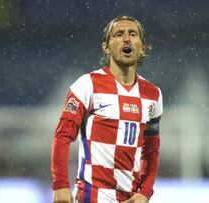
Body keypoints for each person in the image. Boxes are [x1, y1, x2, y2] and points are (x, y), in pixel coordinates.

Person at [51, 15, 163, 203]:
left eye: (133, 34)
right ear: (106, 46)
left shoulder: (153, 95)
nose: (126, 38)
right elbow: (62, 137)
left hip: (130, 198)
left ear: (142, 47)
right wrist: (60, 185)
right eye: (119, 34)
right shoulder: (87, 85)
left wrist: (145, 192)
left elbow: (151, 151)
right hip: (93, 195)